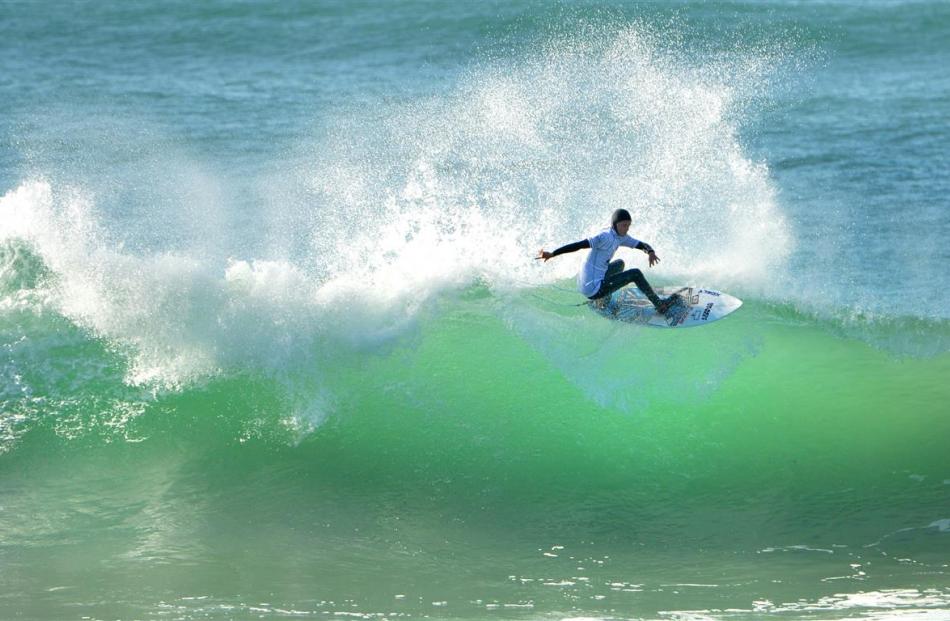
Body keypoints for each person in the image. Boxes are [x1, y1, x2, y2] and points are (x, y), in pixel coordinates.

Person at [537, 209, 682, 314]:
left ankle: (602, 301)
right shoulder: (604, 236)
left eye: (628, 225)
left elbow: (640, 245)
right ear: (615, 224)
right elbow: (578, 245)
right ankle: (660, 305)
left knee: (620, 264)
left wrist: (650, 251)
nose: (626, 229)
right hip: (593, 288)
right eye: (624, 225)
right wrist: (553, 254)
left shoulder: (621, 236)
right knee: (635, 274)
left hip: (589, 282)